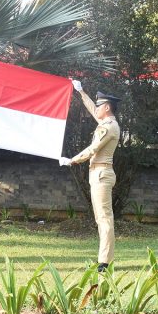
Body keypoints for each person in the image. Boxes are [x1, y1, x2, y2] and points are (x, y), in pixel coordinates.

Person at [59, 80, 120, 272]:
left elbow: (93, 149)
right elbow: (94, 110)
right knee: (100, 218)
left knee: (104, 218)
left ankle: (105, 262)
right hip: (98, 173)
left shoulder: (109, 126)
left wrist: (72, 160)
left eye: (100, 105)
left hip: (102, 174)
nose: (97, 108)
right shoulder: (105, 122)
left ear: (107, 107)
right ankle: (104, 259)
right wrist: (81, 92)